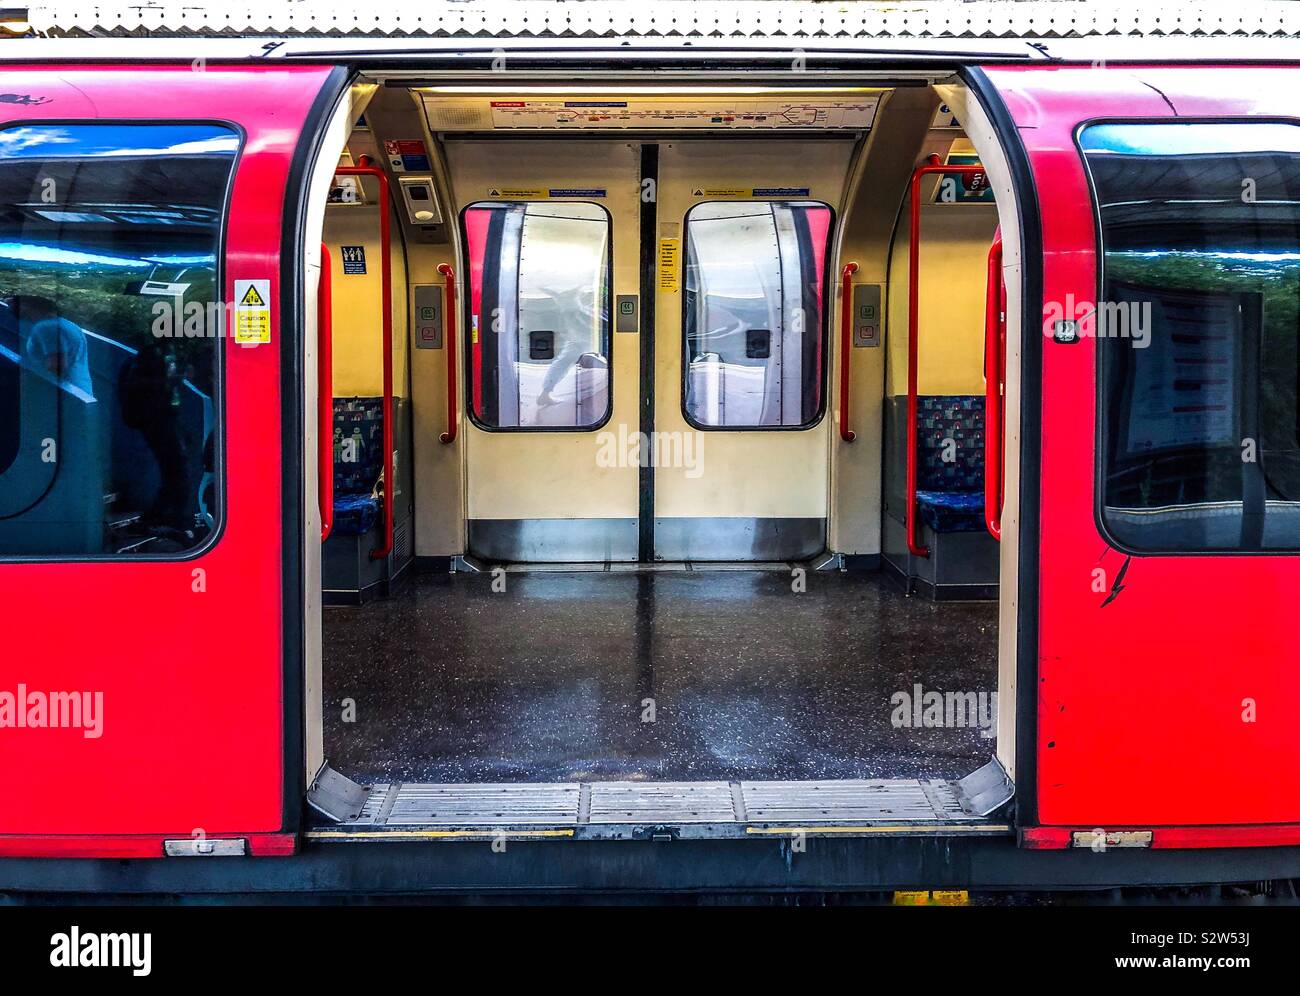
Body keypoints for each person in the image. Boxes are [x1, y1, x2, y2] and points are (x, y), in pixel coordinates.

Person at [6, 294, 95, 399]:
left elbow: (57, 366)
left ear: (26, 306)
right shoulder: (67, 324)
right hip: (80, 390)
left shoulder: (46, 327)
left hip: (63, 395)